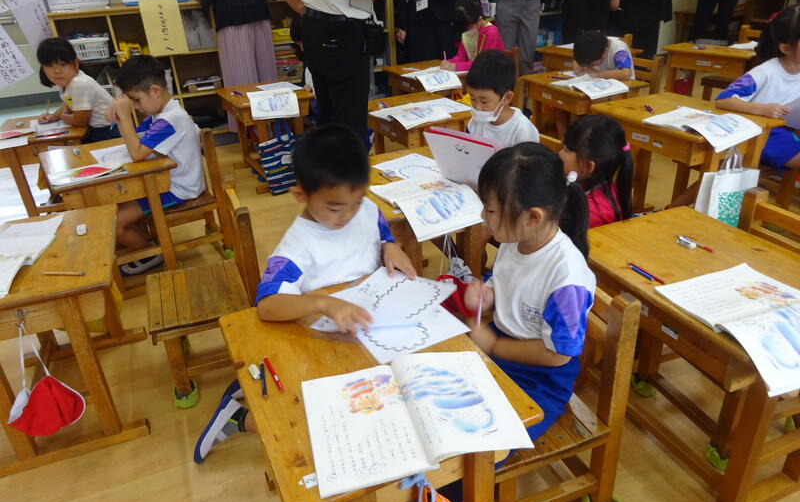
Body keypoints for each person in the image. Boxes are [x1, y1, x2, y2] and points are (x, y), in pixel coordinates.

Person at [193, 123, 417, 463]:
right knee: (329, 424)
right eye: (335, 208)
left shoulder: (365, 208)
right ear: (301, 195)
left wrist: (390, 246)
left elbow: (379, 227)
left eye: (356, 201)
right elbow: (267, 306)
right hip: (320, 345)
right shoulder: (296, 248)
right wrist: (323, 302)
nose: (349, 215)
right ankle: (240, 417)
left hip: (369, 331)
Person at [464, 142, 595, 441]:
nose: (484, 216)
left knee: (484, 444)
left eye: (491, 209)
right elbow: (505, 280)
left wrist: (494, 345)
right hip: (501, 351)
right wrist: (488, 294)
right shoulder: (515, 240)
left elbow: (557, 355)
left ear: (532, 217)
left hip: (540, 379)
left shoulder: (566, 278)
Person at [258, 0, 385, 137]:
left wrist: (297, 4)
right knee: (349, 124)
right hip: (342, 28)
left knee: (327, 116)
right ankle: (345, 155)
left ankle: (329, 155)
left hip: (313, 23)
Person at [106, 56, 205, 276]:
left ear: (155, 91)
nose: (136, 107)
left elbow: (136, 153)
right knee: (118, 202)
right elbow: (136, 137)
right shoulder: (161, 114)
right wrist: (119, 117)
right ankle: (147, 243)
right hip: (168, 182)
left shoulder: (170, 119)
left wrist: (125, 117)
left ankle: (150, 254)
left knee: (113, 224)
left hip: (178, 189)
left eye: (136, 100)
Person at [197, 0, 279, 131]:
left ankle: (251, 132)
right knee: (267, 77)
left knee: (242, 80)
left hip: (231, 22)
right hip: (260, 19)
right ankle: (273, 129)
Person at [715, 4, 800, 172]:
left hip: (782, 131)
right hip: (758, 133)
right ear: (785, 48)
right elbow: (723, 99)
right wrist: (762, 109)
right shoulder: (765, 72)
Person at [36, 37, 120, 144]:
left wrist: (62, 117)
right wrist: (54, 116)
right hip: (97, 129)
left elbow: (80, 121)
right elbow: (68, 102)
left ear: (76, 63)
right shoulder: (68, 81)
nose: (56, 71)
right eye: (49, 66)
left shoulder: (79, 83)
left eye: (63, 64)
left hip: (108, 132)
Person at [553, 30, 634, 137]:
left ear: (605, 52)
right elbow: (577, 62)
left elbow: (625, 73)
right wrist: (580, 67)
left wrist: (596, 74)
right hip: (596, 86)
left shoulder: (619, 48)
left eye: (591, 63)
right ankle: (564, 141)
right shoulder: (589, 45)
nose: (589, 65)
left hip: (620, 88)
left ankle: (587, 138)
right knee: (562, 102)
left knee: (587, 112)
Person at [559, 115, 632, 227]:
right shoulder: (591, 184)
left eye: (566, 150)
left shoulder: (591, 216)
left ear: (587, 167)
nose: (559, 154)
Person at [491, 0, 557, 76]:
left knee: (528, 51)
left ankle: (525, 84)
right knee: (505, 51)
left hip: (532, 1)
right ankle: (505, 84)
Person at [466, 49, 540, 146]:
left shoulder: (522, 131)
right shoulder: (476, 122)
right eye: (472, 99)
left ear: (507, 98)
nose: (477, 107)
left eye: (484, 102)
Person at [441, 0, 504, 72]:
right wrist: (449, 62)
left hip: (492, 73)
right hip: (474, 72)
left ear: (479, 19)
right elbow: (461, 57)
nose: (467, 32)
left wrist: (456, 66)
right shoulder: (467, 30)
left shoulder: (491, 32)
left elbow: (483, 64)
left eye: (469, 27)